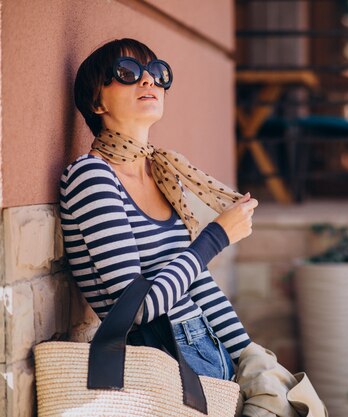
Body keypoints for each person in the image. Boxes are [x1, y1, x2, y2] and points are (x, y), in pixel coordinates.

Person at [61, 38, 257, 382]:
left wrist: (252, 360)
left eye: (157, 73)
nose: (148, 81)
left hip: (211, 348)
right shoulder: (91, 176)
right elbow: (137, 308)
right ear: (96, 101)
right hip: (163, 359)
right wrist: (216, 237)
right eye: (127, 73)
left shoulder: (161, 172)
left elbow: (198, 284)